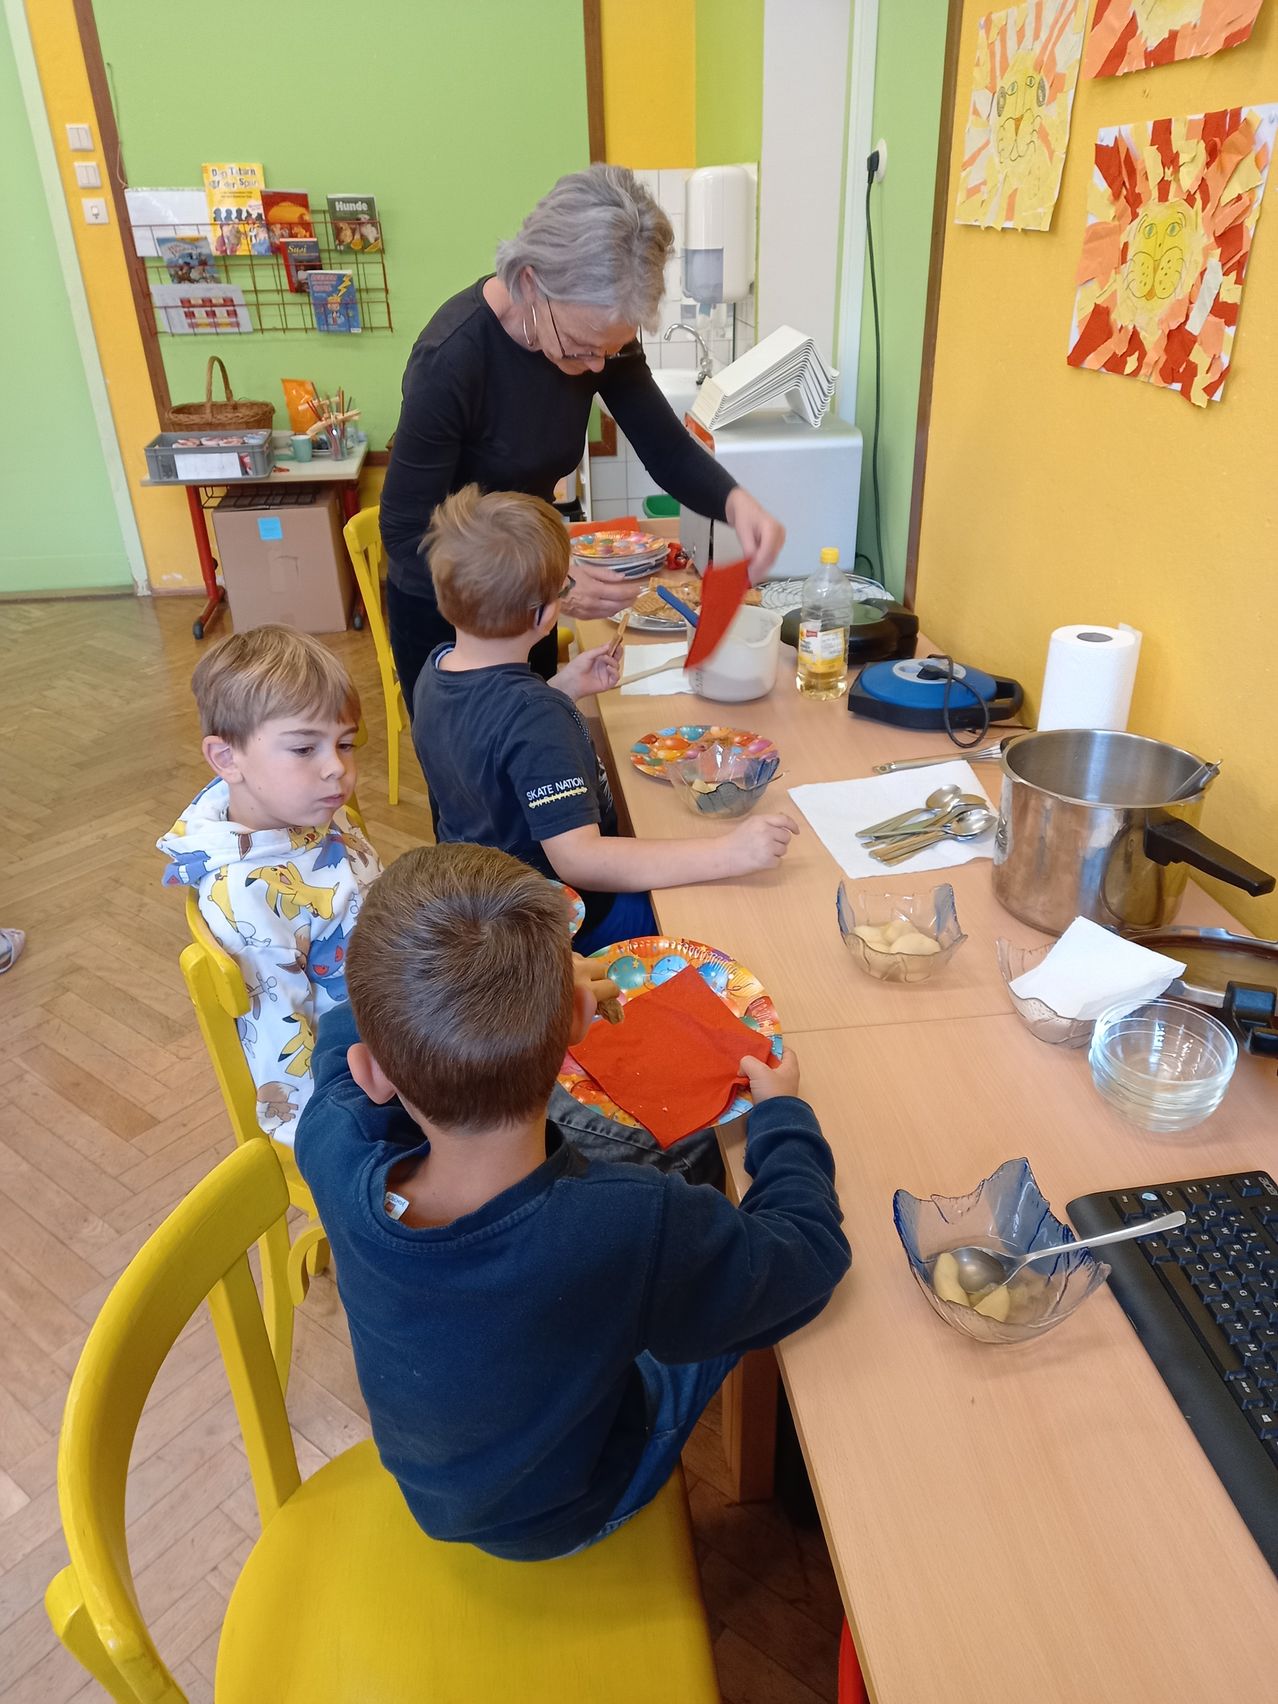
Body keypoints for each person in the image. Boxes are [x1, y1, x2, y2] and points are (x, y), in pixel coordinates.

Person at [294, 842, 850, 1561]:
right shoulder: (628, 1221)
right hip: (568, 1510)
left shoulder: (331, 1142)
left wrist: (516, 988)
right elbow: (808, 1256)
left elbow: (346, 1033)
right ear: (582, 1024)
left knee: (658, 1278)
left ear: (372, 1072)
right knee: (729, 1299)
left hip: (441, 1492)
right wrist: (782, 1119)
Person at [379, 163, 786, 706]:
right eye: (580, 345)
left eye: (613, 349)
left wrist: (735, 504)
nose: (598, 366)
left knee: (541, 746)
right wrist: (546, 578)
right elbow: (407, 536)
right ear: (530, 282)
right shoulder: (450, 360)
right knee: (476, 775)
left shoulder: (601, 336)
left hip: (534, 596)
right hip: (449, 616)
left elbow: (664, 446)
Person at [412, 486, 799, 955]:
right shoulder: (535, 719)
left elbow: (488, 737)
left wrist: (565, 687)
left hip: (485, 909)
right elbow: (582, 859)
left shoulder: (437, 671)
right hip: (561, 931)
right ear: (544, 613)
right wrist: (729, 853)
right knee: (710, 914)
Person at [157, 626, 381, 1145]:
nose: (337, 770)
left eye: (345, 744)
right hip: (355, 1092)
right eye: (305, 748)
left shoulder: (313, 809)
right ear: (226, 758)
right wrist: (339, 1151)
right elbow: (286, 1065)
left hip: (401, 1004)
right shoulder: (245, 900)